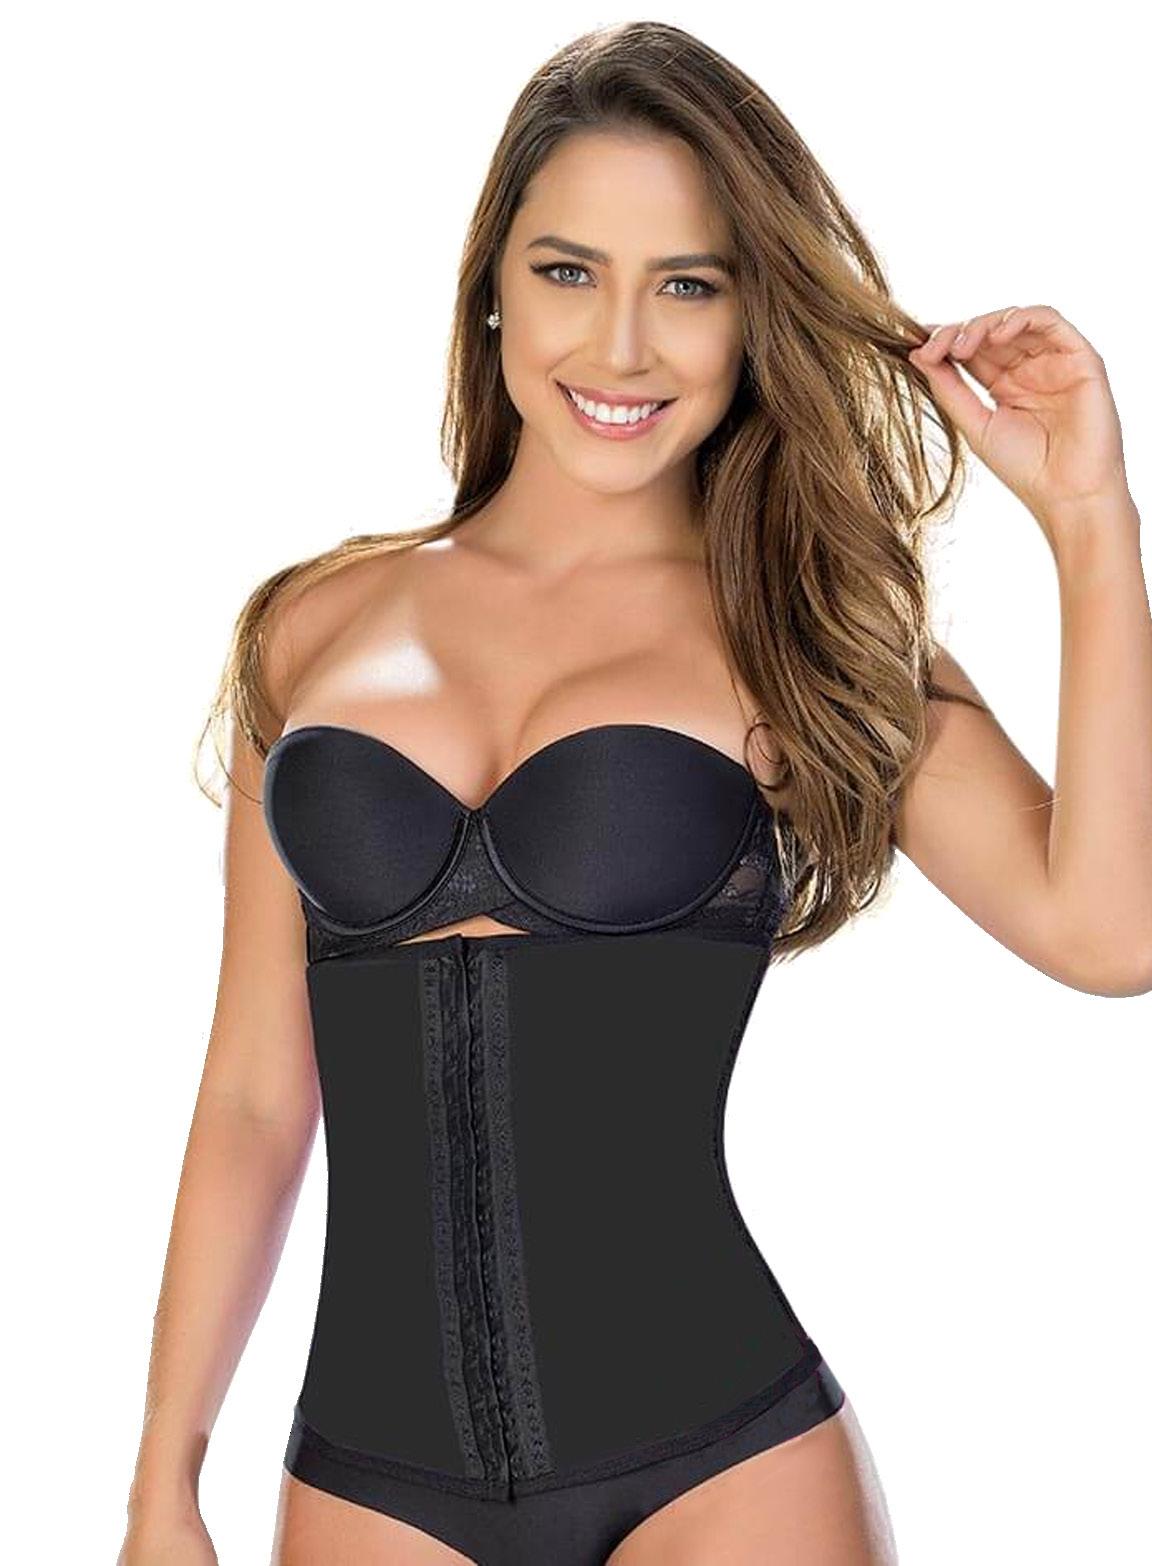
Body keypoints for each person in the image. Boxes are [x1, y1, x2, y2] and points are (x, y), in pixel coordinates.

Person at [117, 21, 1150, 1566]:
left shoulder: (799, 631)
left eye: (687, 285)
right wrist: (162, 1480)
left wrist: (1089, 520)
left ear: (749, 316)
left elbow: (1109, 930)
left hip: (723, 1467)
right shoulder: (312, 629)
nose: (620, 347)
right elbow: (258, 1096)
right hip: (369, 1481)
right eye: (568, 271)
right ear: (491, 285)